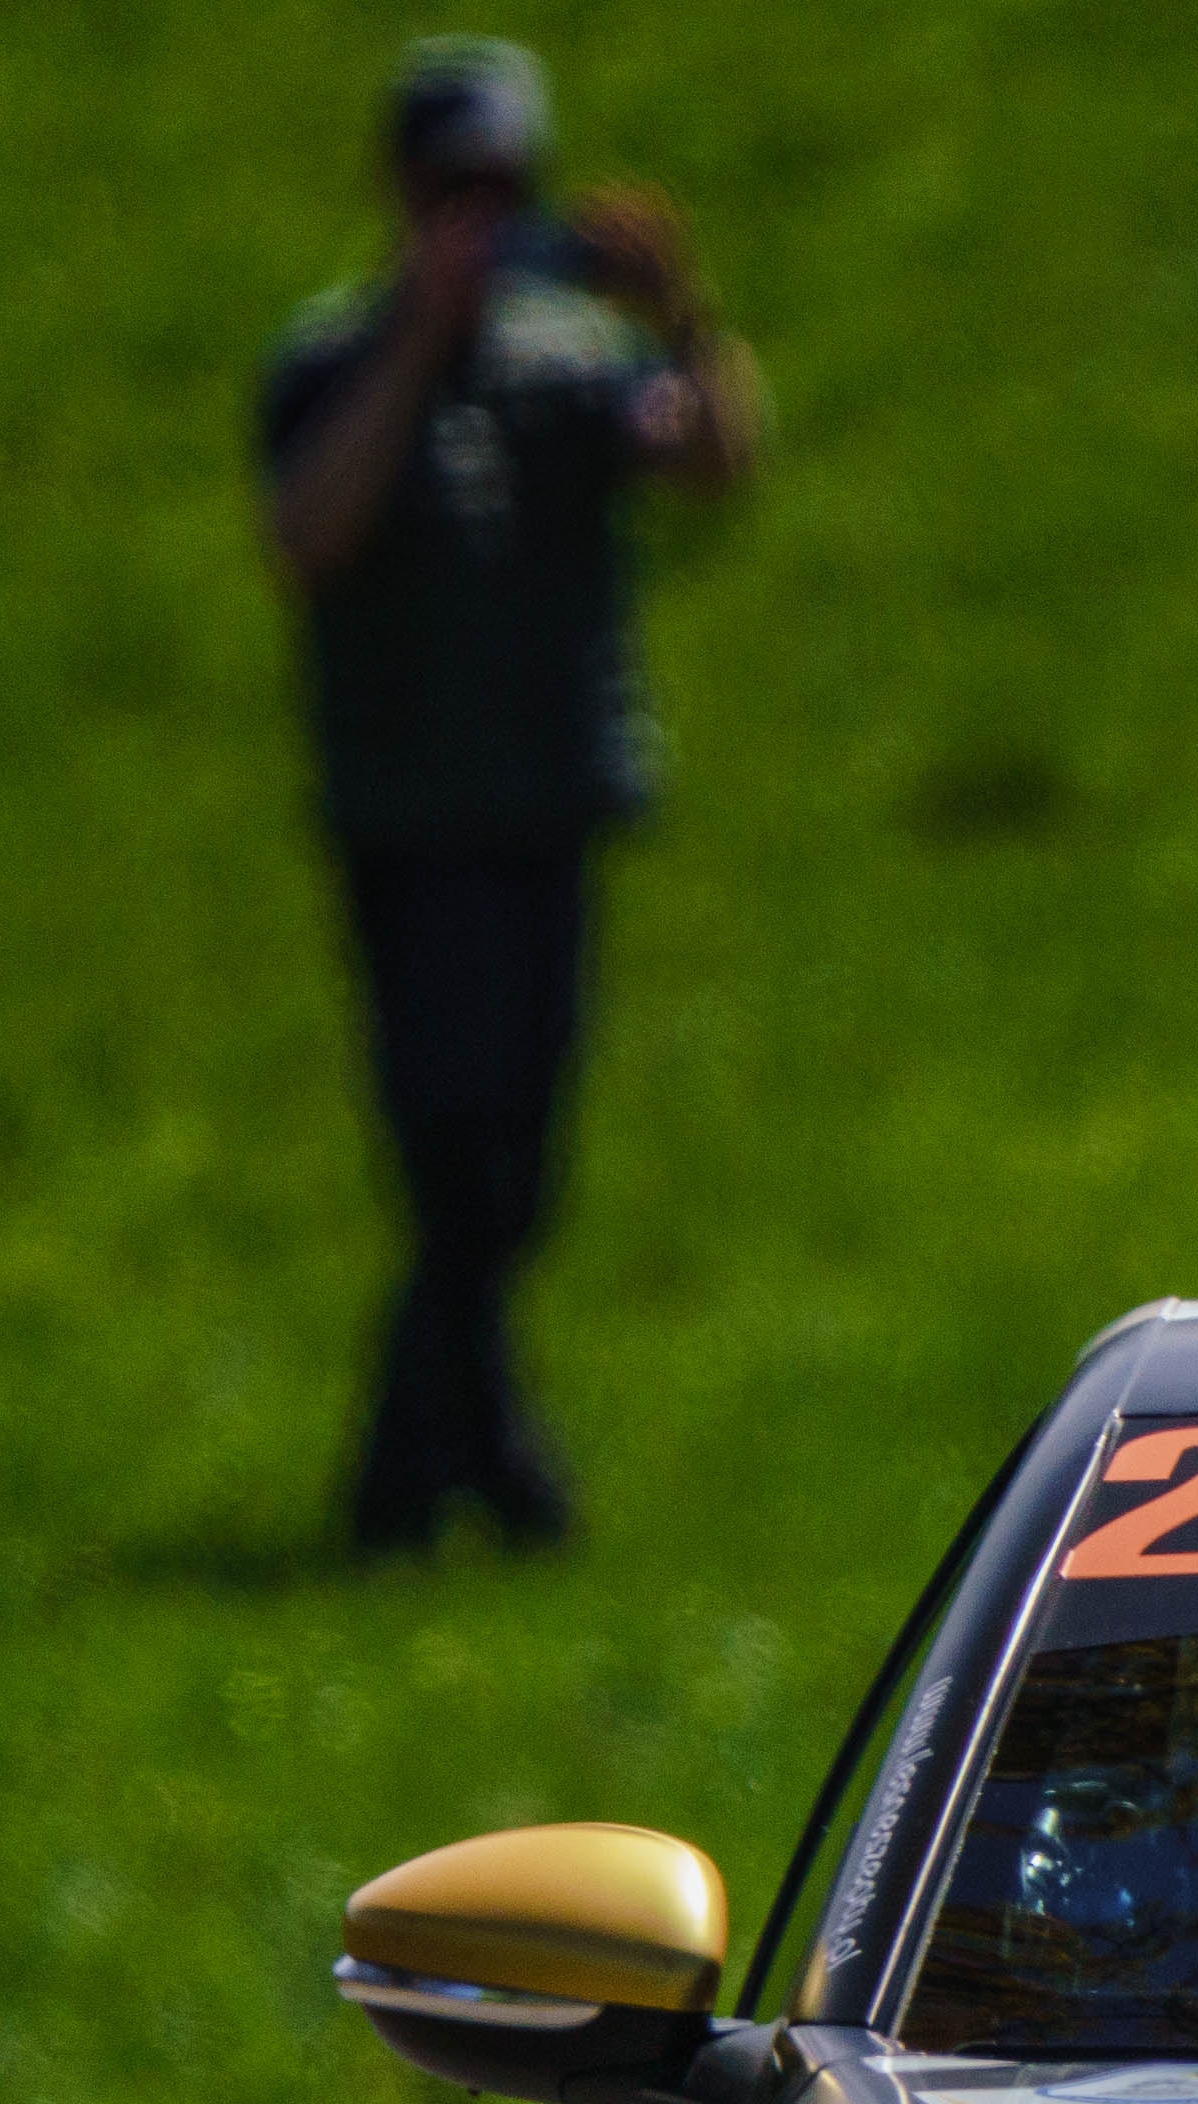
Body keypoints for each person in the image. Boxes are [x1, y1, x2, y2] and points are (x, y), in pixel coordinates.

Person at [254, 39, 762, 1558]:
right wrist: (420, 340)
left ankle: (449, 1474)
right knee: (452, 1159)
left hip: (548, 807)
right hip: (406, 818)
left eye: (502, 190)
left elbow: (717, 464)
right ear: (400, 196)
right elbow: (305, 536)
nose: (477, 220)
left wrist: (680, 310)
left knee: (514, 1175)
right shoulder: (332, 361)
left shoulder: (573, 362)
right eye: (450, 192)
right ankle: (447, 1488)